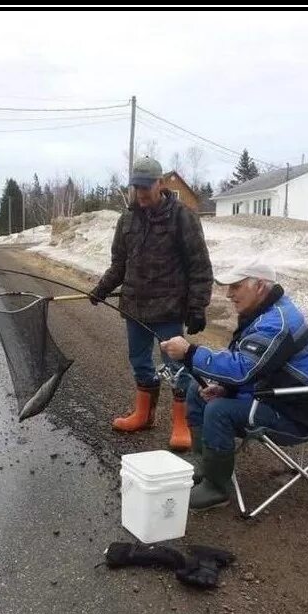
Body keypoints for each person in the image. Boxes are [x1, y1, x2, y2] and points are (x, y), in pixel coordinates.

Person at [160, 261, 308, 511]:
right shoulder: (263, 312)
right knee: (198, 390)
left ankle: (217, 489)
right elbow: (259, 369)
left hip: (295, 413)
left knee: (219, 410)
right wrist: (227, 389)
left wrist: (189, 352)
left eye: (236, 287)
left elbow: (242, 370)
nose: (228, 295)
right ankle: (206, 464)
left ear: (259, 286)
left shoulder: (276, 322)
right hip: (273, 394)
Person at [89, 156, 213, 451]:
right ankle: (144, 415)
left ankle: (181, 423)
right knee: (140, 362)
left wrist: (197, 306)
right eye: (136, 187)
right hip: (134, 308)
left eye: (146, 187)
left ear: (160, 183)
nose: (141, 193)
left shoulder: (183, 216)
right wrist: (101, 289)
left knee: (177, 367)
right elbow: (119, 264)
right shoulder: (127, 220)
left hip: (169, 309)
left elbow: (200, 266)